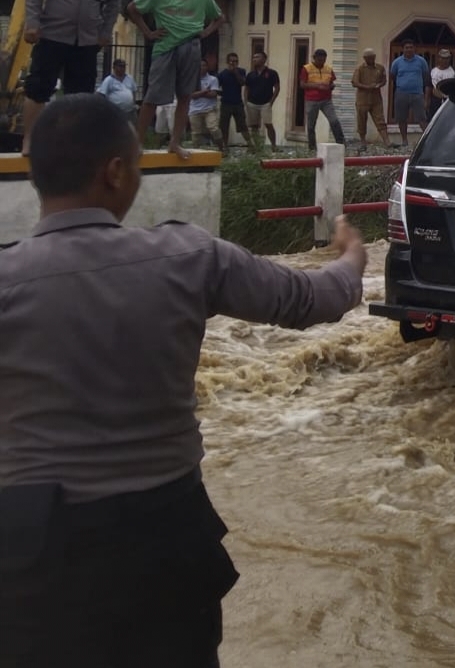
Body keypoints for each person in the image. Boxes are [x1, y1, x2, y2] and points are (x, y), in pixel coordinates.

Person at [0, 94, 365, 667]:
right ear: (115, 173)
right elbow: (310, 299)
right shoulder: (186, 255)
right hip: (163, 540)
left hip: (30, 553)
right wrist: (351, 258)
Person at [19, 0, 123, 156]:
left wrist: (106, 31)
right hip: (52, 35)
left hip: (87, 40)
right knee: (38, 89)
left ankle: (73, 146)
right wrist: (31, 23)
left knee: (80, 96)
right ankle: (30, 141)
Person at [126, 0, 224, 161]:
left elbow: (219, 17)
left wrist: (206, 32)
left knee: (185, 97)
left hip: (191, 47)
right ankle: (137, 143)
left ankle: (175, 143)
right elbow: (133, 8)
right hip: (165, 47)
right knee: (152, 98)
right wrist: (148, 33)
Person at [299, 48, 346, 147]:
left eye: (323, 60)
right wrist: (317, 86)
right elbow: (302, 85)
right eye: (319, 60)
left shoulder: (328, 69)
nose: (321, 62)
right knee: (311, 125)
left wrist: (332, 86)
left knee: (334, 120)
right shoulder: (306, 69)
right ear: (314, 58)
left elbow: (331, 82)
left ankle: (341, 143)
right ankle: (312, 147)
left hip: (326, 100)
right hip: (311, 100)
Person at [390, 40, 429, 146]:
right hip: (401, 93)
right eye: (406, 47)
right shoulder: (397, 62)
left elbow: (426, 78)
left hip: (417, 94)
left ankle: (427, 141)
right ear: (403, 49)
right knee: (401, 118)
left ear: (414, 48)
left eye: (411, 47)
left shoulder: (421, 61)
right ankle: (404, 140)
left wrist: (426, 98)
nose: (409, 49)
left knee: (422, 118)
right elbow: (392, 76)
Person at [351, 48, 389, 147]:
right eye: (368, 58)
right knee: (362, 120)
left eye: (372, 57)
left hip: (376, 98)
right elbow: (355, 82)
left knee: (380, 119)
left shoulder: (380, 68)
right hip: (362, 99)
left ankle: (386, 141)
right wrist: (367, 87)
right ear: (364, 58)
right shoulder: (360, 69)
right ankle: (363, 141)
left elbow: (384, 80)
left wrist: (379, 85)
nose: (371, 59)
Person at [243, 51, 280, 150]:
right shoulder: (250, 74)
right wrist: (246, 101)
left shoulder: (272, 73)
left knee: (268, 124)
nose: (255, 59)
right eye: (254, 57)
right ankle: (257, 146)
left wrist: (271, 101)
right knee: (254, 126)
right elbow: (246, 88)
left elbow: (277, 87)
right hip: (252, 103)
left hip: (265, 103)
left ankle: (273, 145)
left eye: (257, 57)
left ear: (264, 59)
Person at [216, 52, 250, 151]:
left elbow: (243, 82)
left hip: (238, 103)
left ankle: (250, 144)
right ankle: (225, 146)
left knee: (242, 125)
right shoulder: (222, 74)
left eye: (236, 61)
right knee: (224, 126)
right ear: (227, 62)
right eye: (231, 61)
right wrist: (223, 94)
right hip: (226, 103)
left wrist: (235, 72)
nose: (234, 63)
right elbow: (216, 88)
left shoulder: (241, 71)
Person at [188, 57, 223, 149]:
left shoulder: (213, 79)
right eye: (199, 66)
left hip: (209, 109)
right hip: (194, 109)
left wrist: (198, 93)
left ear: (207, 67)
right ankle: (195, 150)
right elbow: (191, 95)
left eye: (204, 65)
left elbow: (213, 94)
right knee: (196, 133)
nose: (201, 67)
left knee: (214, 128)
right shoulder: (191, 79)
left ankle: (221, 148)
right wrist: (204, 91)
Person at [95, 58, 137, 123]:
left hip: (129, 111)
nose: (122, 68)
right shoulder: (109, 80)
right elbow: (101, 94)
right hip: (115, 112)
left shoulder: (129, 78)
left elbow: (134, 91)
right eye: (120, 66)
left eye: (124, 66)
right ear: (114, 67)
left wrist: (133, 104)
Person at [428, 49, 455, 119]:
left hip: (450, 101)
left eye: (447, 58)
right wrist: (427, 100)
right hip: (435, 101)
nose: (445, 60)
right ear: (439, 58)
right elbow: (428, 86)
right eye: (443, 58)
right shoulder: (432, 71)